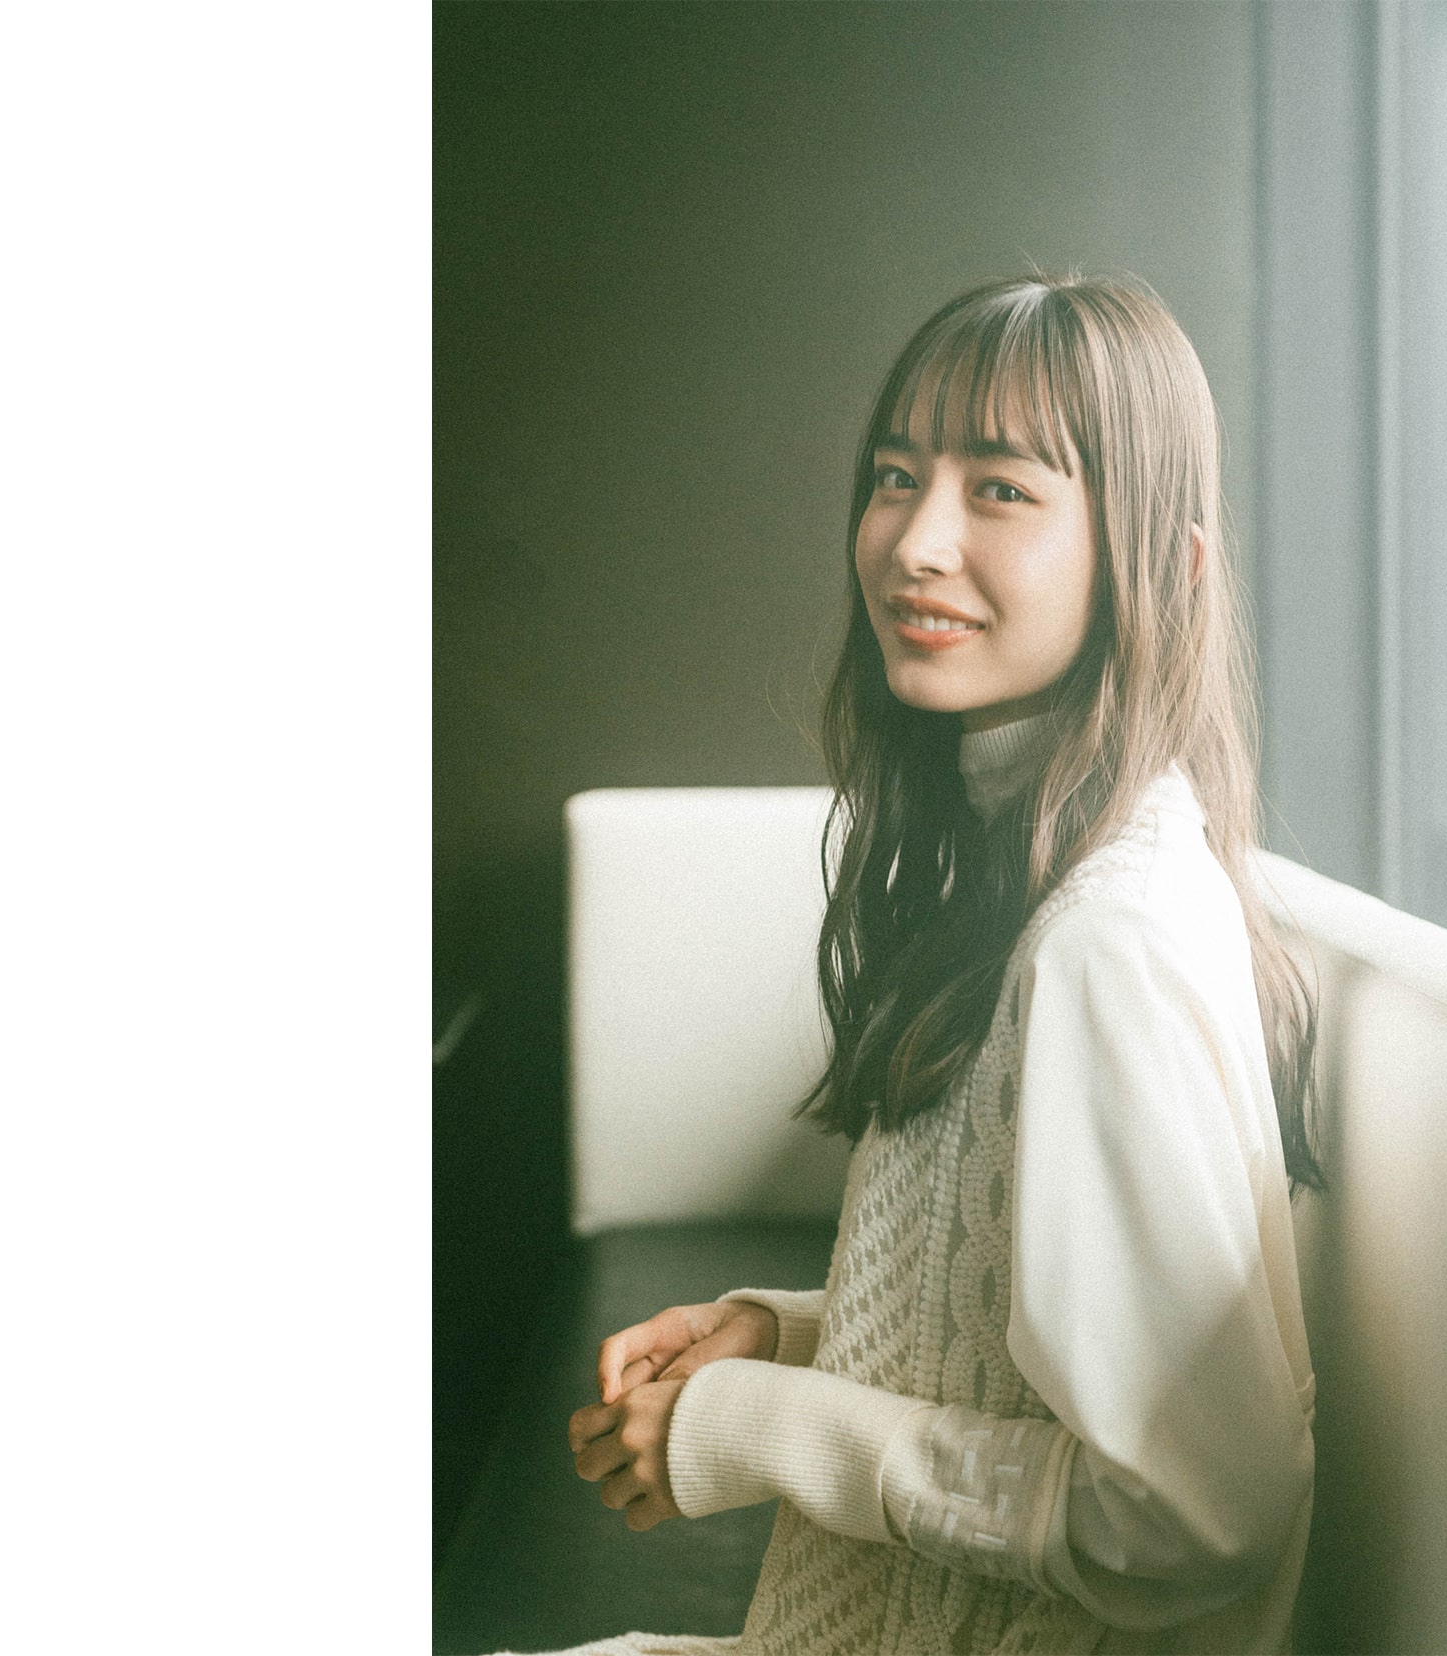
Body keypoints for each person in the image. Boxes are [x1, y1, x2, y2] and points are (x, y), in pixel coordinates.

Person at [551, 274, 1322, 1656]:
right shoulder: (1026, 879)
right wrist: (782, 1335)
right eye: (897, 477)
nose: (915, 541)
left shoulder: (1106, 942)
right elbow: (1021, 1350)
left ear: (1166, 562)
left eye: (1003, 490)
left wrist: (767, 1426)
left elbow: (1194, 1518)